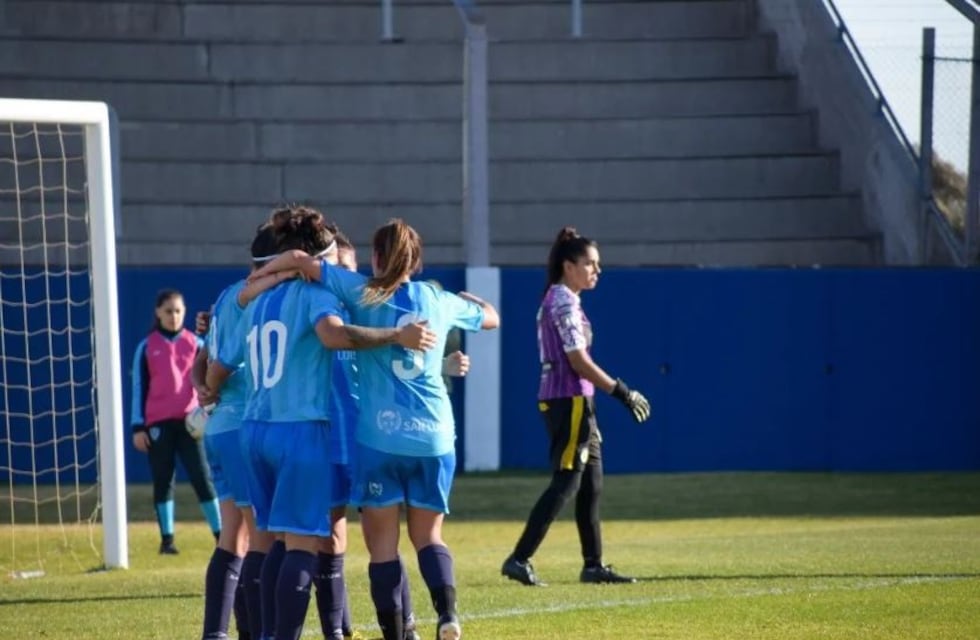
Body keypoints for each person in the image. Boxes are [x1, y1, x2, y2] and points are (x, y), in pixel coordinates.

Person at [245, 218, 499, 640]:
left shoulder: (360, 291)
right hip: (434, 436)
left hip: (378, 439)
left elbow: (304, 264)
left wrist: (262, 275)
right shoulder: (440, 300)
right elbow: (490, 317)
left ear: (376, 258)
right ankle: (448, 613)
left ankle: (397, 634)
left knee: (382, 548)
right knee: (429, 535)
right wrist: (467, 299)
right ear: (417, 260)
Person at [208, 207, 436, 640]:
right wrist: (395, 336)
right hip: (300, 429)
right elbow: (333, 335)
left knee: (271, 540)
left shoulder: (254, 299)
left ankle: (264, 633)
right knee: (301, 547)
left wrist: (207, 387)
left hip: (255, 428)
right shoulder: (313, 295)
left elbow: (221, 365)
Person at [500, 227, 651, 587]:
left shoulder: (566, 299)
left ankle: (593, 565)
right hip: (568, 399)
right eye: (590, 264)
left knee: (591, 483)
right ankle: (519, 558)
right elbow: (578, 360)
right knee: (567, 481)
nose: (597, 271)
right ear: (569, 266)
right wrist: (623, 392)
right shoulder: (563, 301)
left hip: (578, 399)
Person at [191, 222, 279, 640]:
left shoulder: (227, 295)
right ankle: (256, 632)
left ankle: (217, 633)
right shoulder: (253, 299)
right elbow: (221, 362)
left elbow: (203, 351)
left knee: (233, 535)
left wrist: (200, 386)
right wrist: (210, 383)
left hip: (221, 427)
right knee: (260, 539)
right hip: (244, 426)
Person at [130, 288, 222, 555]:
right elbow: (139, 387)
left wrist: (210, 412)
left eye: (178, 311)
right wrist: (138, 426)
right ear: (158, 312)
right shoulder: (146, 347)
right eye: (168, 311)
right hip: (158, 424)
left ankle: (220, 536)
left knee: (202, 479)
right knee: (163, 480)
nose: (173, 316)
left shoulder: (197, 344)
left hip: (191, 423)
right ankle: (167, 540)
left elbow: (210, 382)